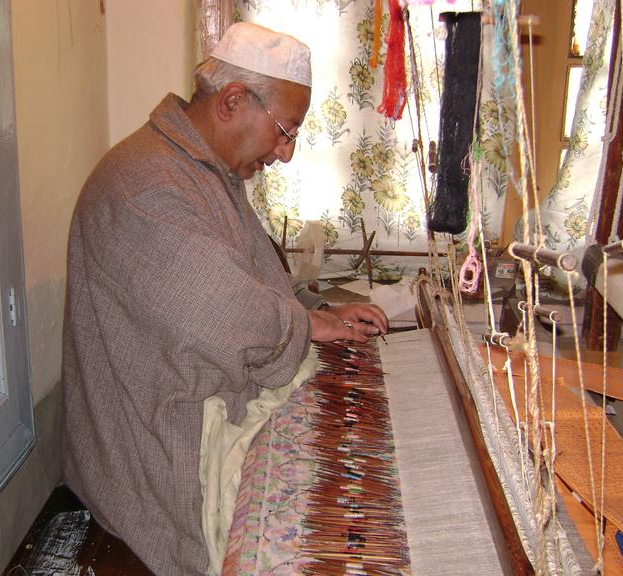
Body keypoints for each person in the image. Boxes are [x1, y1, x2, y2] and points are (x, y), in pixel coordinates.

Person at [62, 22, 388, 575]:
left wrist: (314, 313)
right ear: (233, 101)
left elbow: (250, 279)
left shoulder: (200, 169)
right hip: (152, 451)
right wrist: (306, 327)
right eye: (285, 132)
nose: (285, 154)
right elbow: (229, 316)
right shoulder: (145, 185)